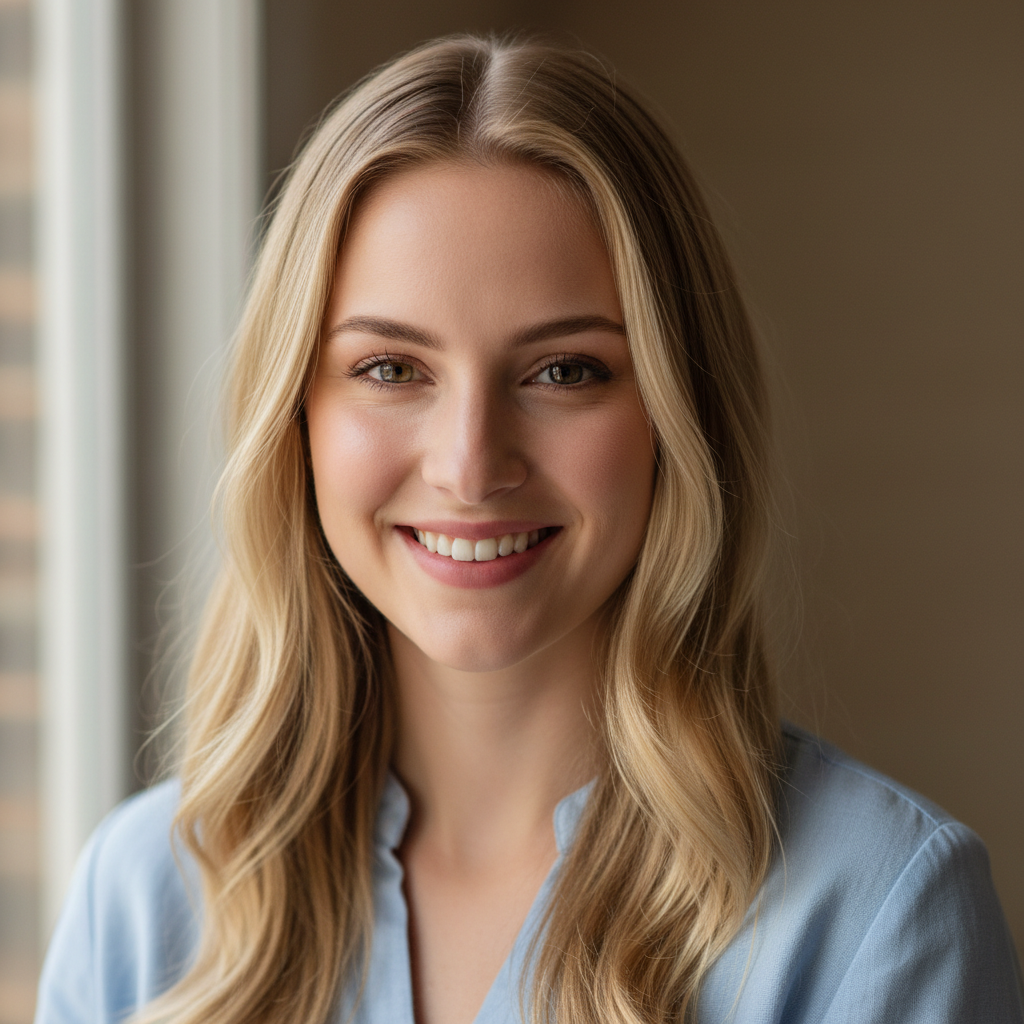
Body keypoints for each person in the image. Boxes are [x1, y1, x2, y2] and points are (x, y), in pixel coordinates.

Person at [35, 34, 1021, 1024]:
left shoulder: (876, 915)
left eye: (563, 370)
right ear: (295, 418)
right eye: (389, 369)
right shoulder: (140, 900)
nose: (470, 464)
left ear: (678, 418)